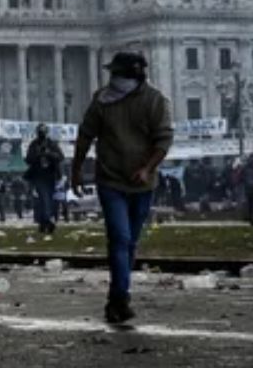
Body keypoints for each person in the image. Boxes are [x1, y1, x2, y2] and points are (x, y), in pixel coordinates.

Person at [70, 52, 173, 324]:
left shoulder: (154, 101)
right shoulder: (102, 99)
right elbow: (85, 134)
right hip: (110, 180)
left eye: (119, 74)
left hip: (142, 184)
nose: (114, 80)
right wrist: (76, 170)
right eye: (113, 74)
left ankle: (116, 296)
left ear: (135, 76)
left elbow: (163, 140)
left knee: (130, 243)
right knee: (120, 238)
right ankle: (120, 298)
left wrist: (147, 168)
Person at [25, 124, 64, 233]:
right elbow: (28, 159)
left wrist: (49, 154)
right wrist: (38, 155)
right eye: (40, 132)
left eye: (43, 132)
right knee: (43, 197)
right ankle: (46, 220)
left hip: (50, 175)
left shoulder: (51, 144)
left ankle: (44, 221)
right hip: (38, 175)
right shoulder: (33, 144)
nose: (41, 134)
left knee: (47, 199)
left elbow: (60, 156)